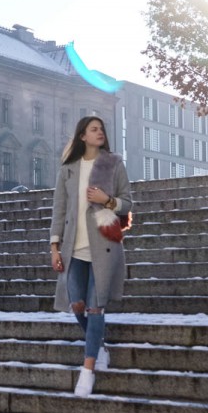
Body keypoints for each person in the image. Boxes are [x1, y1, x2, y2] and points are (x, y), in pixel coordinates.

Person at [48, 115, 133, 397]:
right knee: (77, 305)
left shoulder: (113, 164)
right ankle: (99, 345)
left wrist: (106, 200)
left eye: (102, 129)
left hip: (103, 246)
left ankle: (87, 370)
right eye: (94, 129)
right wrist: (54, 247)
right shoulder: (68, 169)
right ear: (82, 135)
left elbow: (127, 203)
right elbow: (59, 210)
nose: (100, 133)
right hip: (74, 248)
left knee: (96, 307)